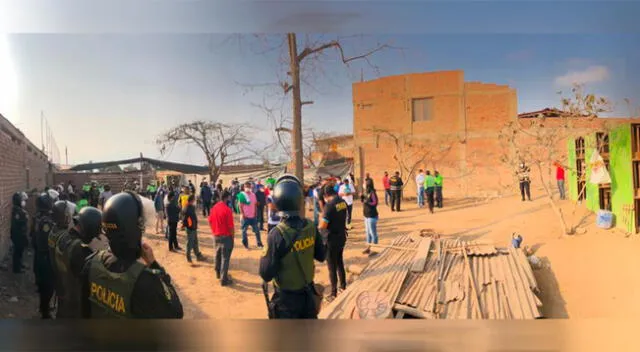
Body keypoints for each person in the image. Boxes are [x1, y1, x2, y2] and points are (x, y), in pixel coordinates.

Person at [79, 192, 183, 318]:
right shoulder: (145, 281)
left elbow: (85, 312)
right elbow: (176, 313)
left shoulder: (90, 263)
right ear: (134, 228)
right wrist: (154, 266)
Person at [259, 175, 327, 319]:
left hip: (286, 303)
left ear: (277, 202)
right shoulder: (310, 226)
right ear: (300, 200)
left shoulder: (276, 235)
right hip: (308, 298)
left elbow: (266, 274)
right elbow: (321, 256)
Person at [50, 204, 102, 318]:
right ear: (89, 229)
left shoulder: (62, 237)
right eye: (93, 235)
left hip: (62, 296)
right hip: (76, 305)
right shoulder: (81, 250)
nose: (93, 238)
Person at [319, 185, 348, 301]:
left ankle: (333, 293)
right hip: (341, 237)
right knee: (340, 262)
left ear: (326, 196)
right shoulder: (342, 202)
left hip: (331, 240)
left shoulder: (329, 206)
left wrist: (319, 225)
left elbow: (323, 226)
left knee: (332, 267)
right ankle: (343, 286)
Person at [32, 193, 56, 318]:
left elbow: (32, 236)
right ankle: (45, 312)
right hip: (45, 257)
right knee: (48, 285)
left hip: (38, 255)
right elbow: (48, 242)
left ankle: (43, 307)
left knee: (43, 284)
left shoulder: (37, 217)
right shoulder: (46, 221)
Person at [208, 190, 235, 286]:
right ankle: (224, 279)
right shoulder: (227, 210)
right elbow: (231, 227)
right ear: (227, 198)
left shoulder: (213, 208)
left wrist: (214, 231)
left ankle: (218, 273)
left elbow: (210, 221)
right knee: (225, 258)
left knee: (217, 255)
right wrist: (233, 238)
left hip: (216, 236)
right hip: (226, 236)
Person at [239, 182, 263, 249]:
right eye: (246, 186)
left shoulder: (253, 195)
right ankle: (245, 244)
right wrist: (243, 214)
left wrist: (255, 212)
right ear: (244, 187)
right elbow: (240, 206)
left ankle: (259, 244)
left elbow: (255, 204)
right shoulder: (242, 195)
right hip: (245, 217)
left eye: (249, 186)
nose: (247, 188)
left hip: (253, 216)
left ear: (251, 187)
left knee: (257, 231)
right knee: (244, 231)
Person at [10, 192, 29, 274]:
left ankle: (20, 264)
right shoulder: (18, 211)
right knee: (17, 251)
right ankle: (16, 269)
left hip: (18, 234)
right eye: (22, 200)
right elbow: (22, 222)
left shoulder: (17, 209)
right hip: (18, 235)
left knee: (20, 251)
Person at [182, 195, 204, 263]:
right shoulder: (187, 208)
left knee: (195, 242)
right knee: (190, 243)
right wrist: (191, 225)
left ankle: (198, 255)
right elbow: (186, 219)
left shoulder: (190, 207)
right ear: (192, 200)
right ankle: (188, 257)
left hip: (193, 227)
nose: (195, 201)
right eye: (194, 200)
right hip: (190, 228)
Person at [361, 179, 379, 255]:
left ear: (367, 184)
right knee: (368, 233)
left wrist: (367, 202)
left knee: (373, 233)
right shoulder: (365, 192)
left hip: (372, 216)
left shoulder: (372, 193)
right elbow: (363, 201)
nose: (363, 184)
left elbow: (375, 203)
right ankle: (368, 248)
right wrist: (362, 198)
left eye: (364, 183)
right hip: (366, 216)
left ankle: (375, 249)